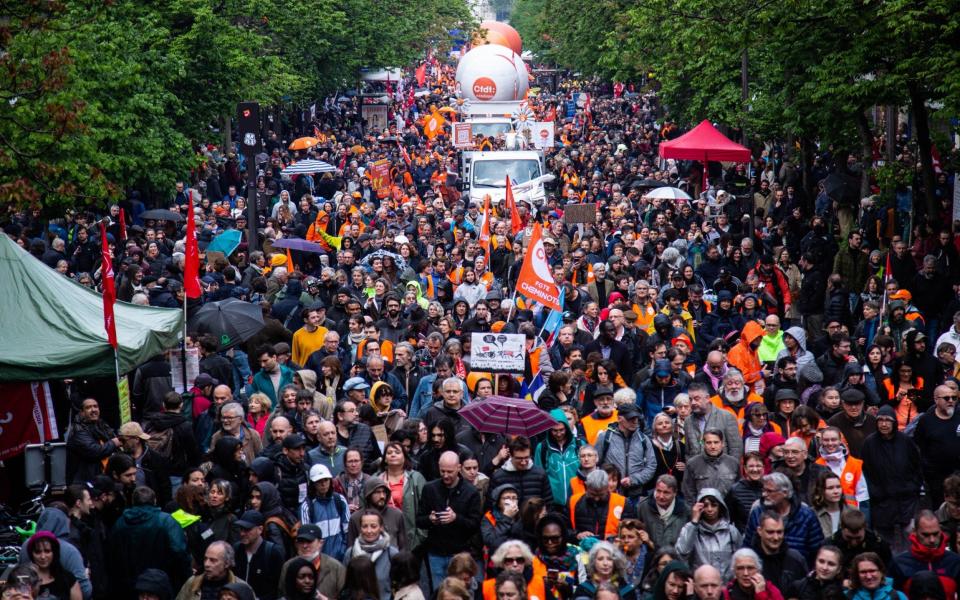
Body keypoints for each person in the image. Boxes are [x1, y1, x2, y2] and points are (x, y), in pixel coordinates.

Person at [107, 486, 192, 599]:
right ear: (155, 500)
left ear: (133, 502)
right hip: (159, 586)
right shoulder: (166, 521)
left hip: (128, 588)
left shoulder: (119, 523)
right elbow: (179, 552)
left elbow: (111, 556)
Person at [416, 451, 482, 592]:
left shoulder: (471, 492)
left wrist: (456, 519)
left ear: (458, 468)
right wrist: (430, 519)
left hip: (459, 554)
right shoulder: (429, 489)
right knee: (440, 592)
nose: (445, 475)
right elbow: (419, 520)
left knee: (461, 593)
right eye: (442, 471)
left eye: (450, 472)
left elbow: (475, 525)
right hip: (435, 552)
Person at [743, 473, 824, 564]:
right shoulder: (757, 512)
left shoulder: (806, 515)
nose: (764, 494)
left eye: (769, 491)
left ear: (785, 493)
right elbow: (747, 547)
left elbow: (817, 550)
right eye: (764, 490)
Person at [594, 403, 656, 503]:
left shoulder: (644, 439)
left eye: (637, 418)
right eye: (631, 418)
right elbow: (595, 464)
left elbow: (651, 466)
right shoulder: (605, 437)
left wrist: (634, 480)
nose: (635, 421)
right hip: (610, 494)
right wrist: (608, 481)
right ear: (619, 419)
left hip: (636, 495)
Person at [890, 510, 960, 598]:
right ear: (914, 531)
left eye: (935, 534)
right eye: (926, 535)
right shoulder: (899, 563)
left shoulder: (955, 561)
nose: (932, 540)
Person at [676, 488, 742, 580]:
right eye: (705, 506)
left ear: (720, 507)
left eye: (714, 505)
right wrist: (694, 522)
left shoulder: (731, 531)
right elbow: (682, 552)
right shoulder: (691, 529)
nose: (710, 509)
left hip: (726, 586)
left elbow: (740, 559)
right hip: (701, 584)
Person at [913, 385, 960, 509]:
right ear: (936, 400)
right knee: (939, 509)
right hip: (935, 478)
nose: (951, 401)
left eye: (954, 398)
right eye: (946, 398)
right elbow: (918, 446)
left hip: (958, 473)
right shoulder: (926, 420)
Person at [277, 524, 346, 600]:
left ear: (321, 543)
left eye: (309, 541)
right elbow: (282, 594)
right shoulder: (288, 566)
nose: (305, 546)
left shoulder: (336, 567)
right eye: (301, 541)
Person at [342, 510, 400, 600]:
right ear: (360, 528)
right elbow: (345, 585)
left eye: (373, 526)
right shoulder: (350, 553)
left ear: (381, 528)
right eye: (365, 526)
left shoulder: (391, 554)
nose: (369, 531)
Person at [535, 408, 583, 511]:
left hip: (578, 500)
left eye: (561, 430)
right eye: (554, 430)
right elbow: (538, 475)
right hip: (553, 504)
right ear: (549, 429)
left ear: (566, 428)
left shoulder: (579, 445)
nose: (558, 434)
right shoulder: (542, 448)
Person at [749, 511, 808, 593]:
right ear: (759, 531)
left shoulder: (796, 559)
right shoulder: (749, 561)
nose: (776, 537)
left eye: (779, 532)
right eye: (770, 532)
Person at [488, 436, 554, 507]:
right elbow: (491, 505)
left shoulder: (540, 474)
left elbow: (548, 503)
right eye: (519, 458)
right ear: (511, 455)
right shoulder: (498, 477)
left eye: (526, 458)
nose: (523, 462)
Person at [65, 398, 120, 483]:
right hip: (83, 482)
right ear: (82, 412)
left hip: (101, 477)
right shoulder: (78, 430)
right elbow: (94, 451)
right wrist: (114, 443)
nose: (93, 410)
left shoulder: (101, 425)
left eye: (95, 406)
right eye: (88, 407)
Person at [685, 383, 742, 461]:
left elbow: (736, 449)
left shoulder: (727, 417)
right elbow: (688, 452)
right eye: (690, 399)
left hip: (722, 470)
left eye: (696, 398)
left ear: (707, 398)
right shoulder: (688, 421)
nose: (693, 403)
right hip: (697, 471)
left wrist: (729, 470)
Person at [175, 541, 251, 600]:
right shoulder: (192, 583)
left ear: (227, 563)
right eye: (205, 559)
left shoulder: (241, 588)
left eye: (213, 560)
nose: (206, 564)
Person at [346, 477, 406, 551]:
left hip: (392, 560)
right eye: (377, 492)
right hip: (363, 560)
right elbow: (351, 548)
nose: (382, 496)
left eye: (384, 492)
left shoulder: (397, 515)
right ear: (368, 494)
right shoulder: (356, 518)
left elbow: (403, 547)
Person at [569, 470, 629, 541]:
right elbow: (564, 528)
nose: (596, 498)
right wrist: (577, 535)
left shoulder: (622, 502)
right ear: (587, 487)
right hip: (580, 548)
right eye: (593, 494)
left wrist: (614, 537)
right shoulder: (573, 501)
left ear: (607, 487)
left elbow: (630, 530)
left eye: (601, 494)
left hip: (612, 548)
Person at [682, 429, 740, 500]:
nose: (713, 446)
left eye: (716, 442)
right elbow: (688, 493)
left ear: (722, 444)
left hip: (729, 509)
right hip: (702, 509)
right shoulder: (692, 464)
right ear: (703, 444)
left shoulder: (733, 463)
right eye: (709, 443)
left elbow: (739, 491)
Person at [637, 474, 690, 550]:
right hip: (650, 557)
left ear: (675, 493)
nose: (661, 496)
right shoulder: (643, 507)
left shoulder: (685, 510)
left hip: (676, 557)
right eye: (658, 491)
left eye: (666, 492)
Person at [24, 531, 82, 600]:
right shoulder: (24, 579)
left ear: (54, 552)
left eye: (47, 551)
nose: (43, 556)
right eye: (38, 552)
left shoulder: (68, 579)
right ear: (31, 554)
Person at [571, 540, 636, 599]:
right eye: (600, 559)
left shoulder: (626, 591)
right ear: (593, 562)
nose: (605, 563)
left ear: (615, 562)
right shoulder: (583, 590)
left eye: (609, 559)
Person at [727, 453, 766, 532]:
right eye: (751, 466)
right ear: (745, 468)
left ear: (763, 468)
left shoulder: (770, 488)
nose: (755, 469)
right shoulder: (735, 490)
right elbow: (728, 520)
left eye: (758, 466)